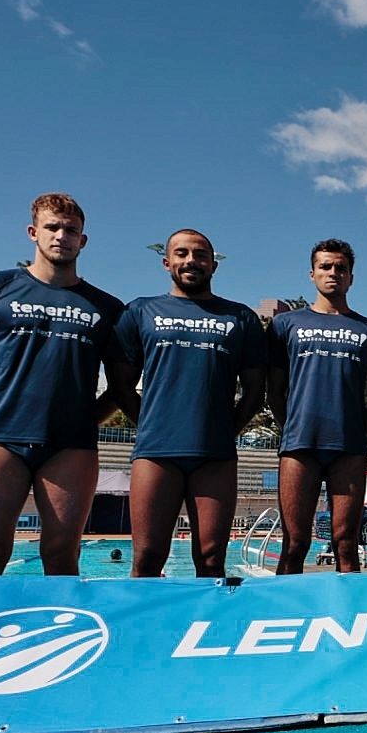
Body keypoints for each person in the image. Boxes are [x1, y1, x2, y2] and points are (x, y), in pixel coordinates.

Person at [0, 193, 124, 575]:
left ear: (83, 240)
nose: (62, 236)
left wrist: (88, 420)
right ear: (33, 232)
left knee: (62, 556)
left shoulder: (106, 307)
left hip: (69, 445)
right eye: (52, 227)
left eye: (71, 230)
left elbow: (124, 382)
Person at [107, 228, 266, 577]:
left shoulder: (240, 318)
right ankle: (143, 629)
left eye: (200, 255)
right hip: (156, 453)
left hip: (215, 456)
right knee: (147, 556)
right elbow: (121, 384)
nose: (191, 260)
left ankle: (208, 629)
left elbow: (255, 390)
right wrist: (149, 423)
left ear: (213, 265)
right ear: (167, 263)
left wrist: (224, 430)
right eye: (181, 254)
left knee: (211, 559)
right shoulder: (141, 311)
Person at [265, 239, 367, 574]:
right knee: (294, 544)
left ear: (351, 277)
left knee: (347, 543)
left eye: (340, 268)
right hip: (299, 446)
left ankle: (349, 619)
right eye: (325, 266)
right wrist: (291, 425)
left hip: (348, 449)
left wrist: (357, 430)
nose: (333, 273)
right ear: (312, 274)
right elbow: (273, 389)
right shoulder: (285, 325)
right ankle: (284, 617)